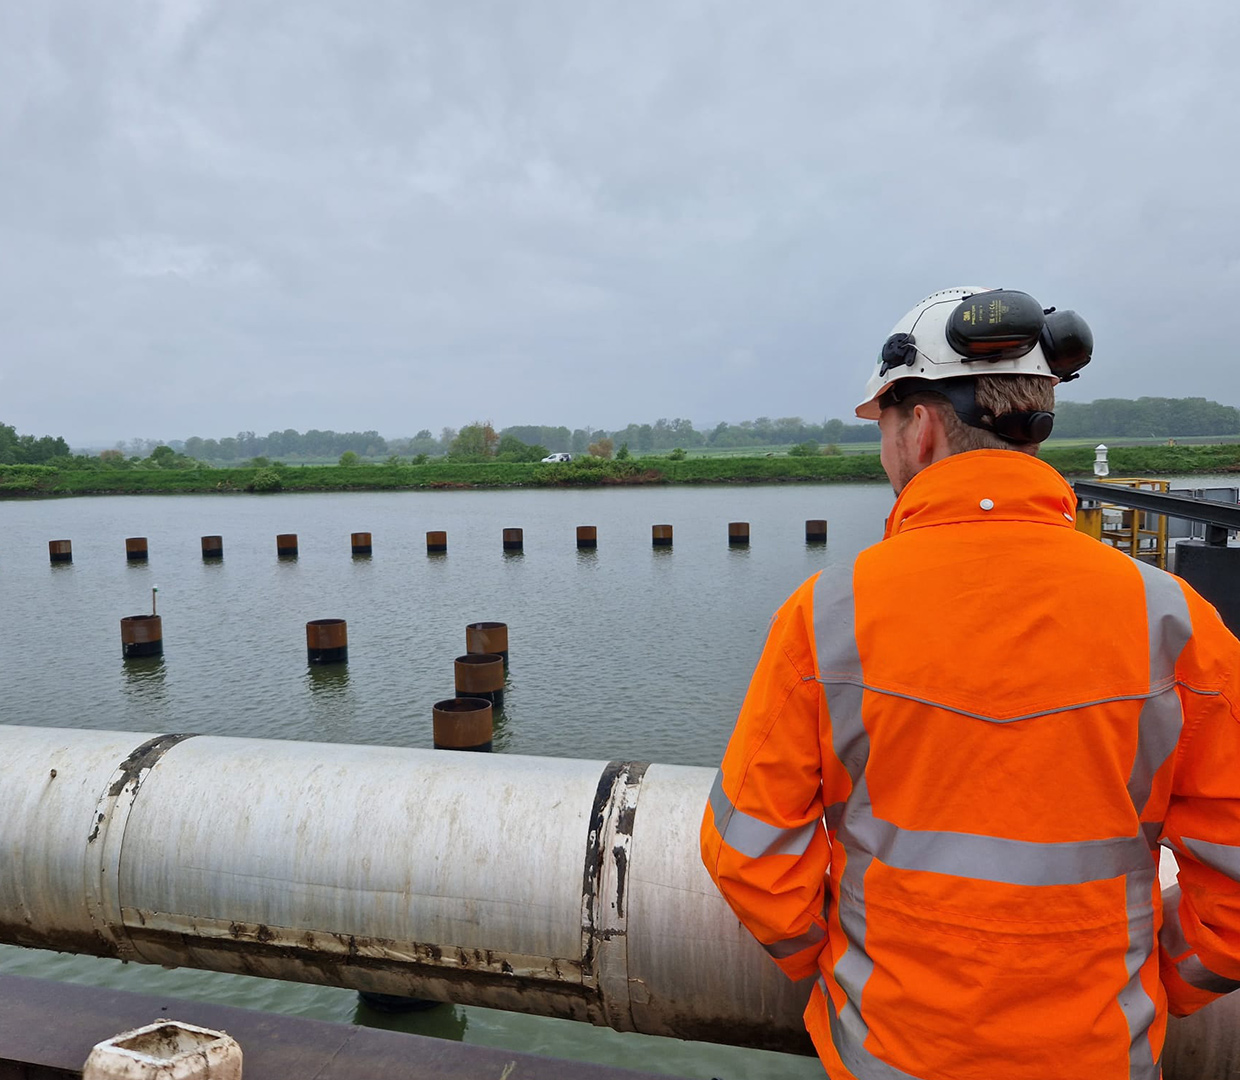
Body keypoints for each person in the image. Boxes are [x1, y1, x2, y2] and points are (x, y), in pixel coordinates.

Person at [700, 286, 1240, 1079]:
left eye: (882, 426)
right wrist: (1148, 980)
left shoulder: (826, 617)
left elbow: (747, 852)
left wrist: (844, 964)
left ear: (918, 427)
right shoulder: (1173, 620)